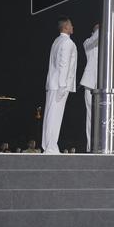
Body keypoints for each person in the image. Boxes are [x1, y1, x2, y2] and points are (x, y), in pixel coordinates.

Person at [43, 16, 77, 154]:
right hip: (59, 85)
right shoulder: (67, 43)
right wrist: (63, 85)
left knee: (50, 115)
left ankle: (48, 145)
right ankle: (51, 146)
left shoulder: (56, 41)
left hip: (53, 83)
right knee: (55, 116)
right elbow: (63, 64)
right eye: (71, 25)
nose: (73, 27)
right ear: (66, 27)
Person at [80, 24, 99, 152]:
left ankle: (100, 144)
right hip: (90, 82)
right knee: (90, 116)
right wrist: (101, 29)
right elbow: (95, 39)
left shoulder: (106, 43)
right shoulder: (88, 42)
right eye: (98, 28)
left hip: (102, 82)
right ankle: (90, 146)